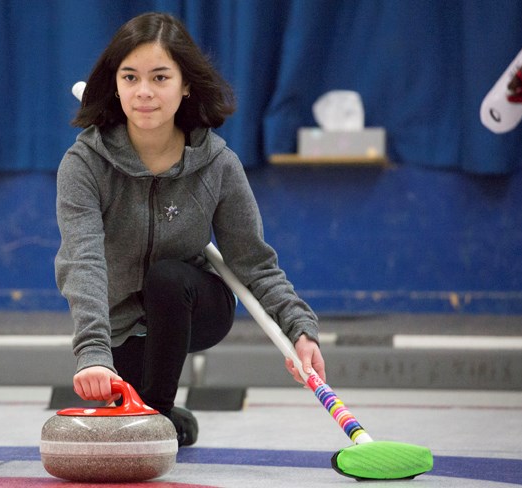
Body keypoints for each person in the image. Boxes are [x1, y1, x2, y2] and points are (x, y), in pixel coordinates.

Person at [55, 12, 325, 447]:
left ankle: (155, 420)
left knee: (167, 275)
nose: (143, 92)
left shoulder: (218, 164)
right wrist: (92, 353)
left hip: (194, 306)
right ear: (116, 84)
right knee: (121, 398)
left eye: (160, 77)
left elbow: (253, 261)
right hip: (120, 321)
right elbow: (81, 261)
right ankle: (165, 414)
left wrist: (299, 326)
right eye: (130, 78)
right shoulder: (83, 164)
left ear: (184, 85)